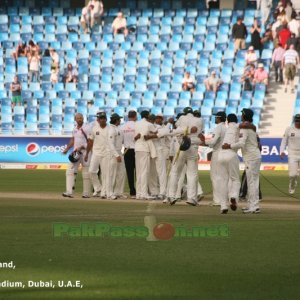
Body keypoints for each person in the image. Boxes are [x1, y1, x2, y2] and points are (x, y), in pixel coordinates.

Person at [160, 107, 203, 206]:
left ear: (184, 113)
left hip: (181, 147)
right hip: (193, 148)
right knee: (192, 174)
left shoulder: (182, 118)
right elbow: (198, 132)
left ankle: (171, 196)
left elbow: (177, 128)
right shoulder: (199, 120)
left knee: (175, 172)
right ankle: (192, 198)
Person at [222, 109, 261, 214]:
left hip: (251, 157)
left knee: (251, 182)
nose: (241, 116)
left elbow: (241, 144)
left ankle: (254, 206)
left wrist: (228, 146)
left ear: (244, 116)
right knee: (253, 182)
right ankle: (253, 205)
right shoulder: (250, 127)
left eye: (242, 115)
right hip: (254, 156)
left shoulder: (245, 128)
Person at [199, 111, 227, 206]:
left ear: (219, 118)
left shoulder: (218, 128)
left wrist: (203, 141)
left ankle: (217, 200)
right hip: (224, 153)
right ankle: (222, 199)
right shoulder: (225, 128)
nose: (215, 118)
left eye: (216, 117)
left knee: (215, 176)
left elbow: (213, 141)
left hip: (217, 153)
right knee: (222, 177)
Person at [62, 113, 92, 198]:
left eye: (81, 118)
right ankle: (69, 192)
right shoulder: (74, 129)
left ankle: (86, 193)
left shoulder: (87, 128)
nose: (79, 119)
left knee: (86, 172)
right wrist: (67, 148)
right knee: (70, 171)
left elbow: (90, 141)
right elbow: (73, 140)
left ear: (83, 119)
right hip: (76, 153)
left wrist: (84, 148)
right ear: (75, 119)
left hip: (86, 152)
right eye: (78, 118)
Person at [218, 114, 240, 214]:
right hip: (231, 154)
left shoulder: (227, 129)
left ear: (227, 121)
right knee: (235, 179)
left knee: (223, 181)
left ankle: (223, 206)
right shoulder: (238, 127)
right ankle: (233, 196)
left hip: (220, 155)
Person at [85, 111, 110, 198]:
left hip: (106, 154)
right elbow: (90, 142)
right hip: (96, 153)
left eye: (104, 118)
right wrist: (87, 153)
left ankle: (104, 192)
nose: (102, 120)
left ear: (106, 119)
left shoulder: (110, 129)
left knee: (105, 174)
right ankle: (98, 188)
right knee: (91, 171)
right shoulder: (94, 129)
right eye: (101, 119)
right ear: (98, 120)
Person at [134, 110, 157, 200]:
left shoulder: (136, 123)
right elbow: (156, 132)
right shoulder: (148, 124)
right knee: (144, 171)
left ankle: (138, 194)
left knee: (139, 171)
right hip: (144, 149)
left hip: (137, 148)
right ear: (148, 116)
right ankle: (144, 193)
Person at [106, 113, 126, 199]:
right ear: (116, 120)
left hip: (119, 152)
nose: (120, 121)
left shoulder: (117, 129)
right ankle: (109, 193)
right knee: (111, 174)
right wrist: (116, 155)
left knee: (121, 173)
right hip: (112, 154)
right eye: (119, 119)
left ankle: (118, 192)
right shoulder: (111, 129)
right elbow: (110, 144)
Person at [280, 114, 300, 194]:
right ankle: (292, 185)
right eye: (297, 121)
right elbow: (284, 141)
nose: (298, 123)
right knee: (292, 175)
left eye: (299, 121)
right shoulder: (289, 129)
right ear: (294, 121)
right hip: (292, 154)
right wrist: (282, 151)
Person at [121, 110, 137, 198]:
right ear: (135, 116)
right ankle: (140, 190)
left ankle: (132, 192)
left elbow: (122, 140)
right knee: (138, 171)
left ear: (128, 116)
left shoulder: (123, 127)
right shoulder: (137, 125)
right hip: (136, 149)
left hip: (126, 149)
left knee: (129, 172)